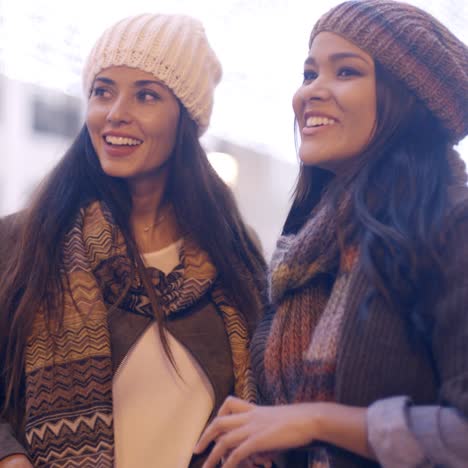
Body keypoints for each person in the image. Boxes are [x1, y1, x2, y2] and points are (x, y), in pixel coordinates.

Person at [194, 1, 468, 467]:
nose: (310, 94)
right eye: (308, 74)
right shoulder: (305, 249)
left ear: (408, 100)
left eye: (346, 72)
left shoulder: (452, 227)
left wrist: (317, 421)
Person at [0, 13, 266, 468]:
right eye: (103, 91)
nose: (116, 111)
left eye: (146, 95)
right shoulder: (25, 240)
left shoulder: (233, 257)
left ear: (186, 117)